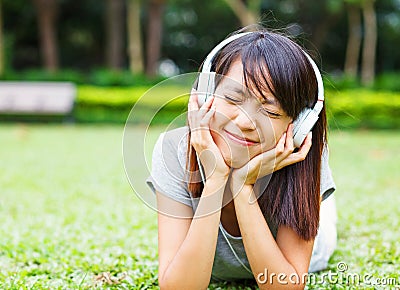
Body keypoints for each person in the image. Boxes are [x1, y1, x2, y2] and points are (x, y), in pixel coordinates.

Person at [146, 27, 337, 289]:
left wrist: (242, 187)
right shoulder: (174, 149)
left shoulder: (300, 154)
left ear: (299, 125)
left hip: (312, 249)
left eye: (270, 111)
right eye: (234, 98)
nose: (246, 122)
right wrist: (216, 179)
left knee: (325, 224)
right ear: (204, 95)